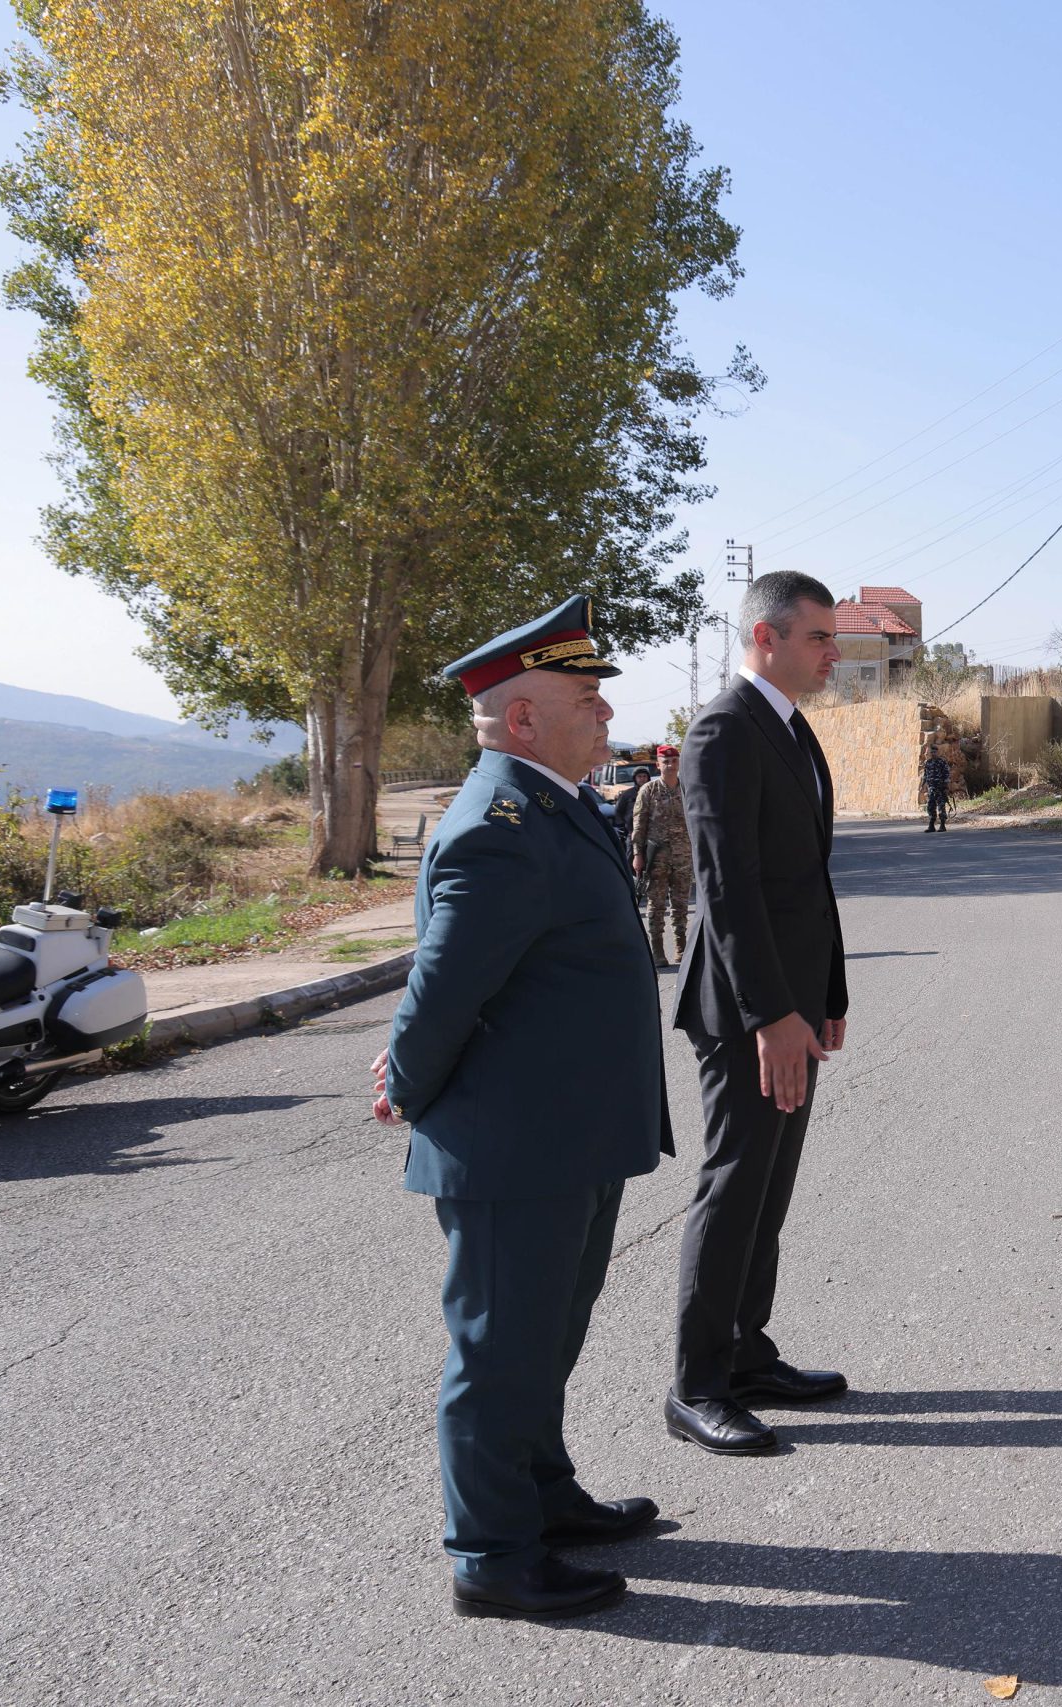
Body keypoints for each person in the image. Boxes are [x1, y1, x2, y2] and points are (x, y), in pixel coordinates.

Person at [374, 594, 670, 1622]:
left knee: (545, 1338)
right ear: (524, 718)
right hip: (515, 1144)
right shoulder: (498, 825)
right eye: (587, 699)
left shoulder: (552, 803)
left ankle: (543, 1496)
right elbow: (444, 984)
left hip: (568, 1132)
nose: (607, 712)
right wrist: (404, 1082)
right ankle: (493, 1555)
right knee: (501, 1351)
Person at [669, 570, 853, 1456]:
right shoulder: (723, 731)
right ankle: (697, 1385)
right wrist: (773, 1014)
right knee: (735, 1184)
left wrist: (830, 994)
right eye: (819, 637)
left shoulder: (789, 726)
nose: (834, 653)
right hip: (748, 1011)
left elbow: (809, 880)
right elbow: (728, 889)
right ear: (765, 638)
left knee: (769, 1190)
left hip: (794, 1003)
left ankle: (747, 1353)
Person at [630, 744, 692, 966]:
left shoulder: (687, 788)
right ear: (658, 765)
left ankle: (681, 948)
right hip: (657, 857)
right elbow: (639, 824)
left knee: (681, 905)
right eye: (666, 762)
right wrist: (638, 854)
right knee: (656, 906)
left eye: (674, 761)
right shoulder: (649, 790)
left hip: (683, 856)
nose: (670, 765)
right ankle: (657, 951)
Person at [920, 740, 953, 833]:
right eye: (932, 752)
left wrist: (946, 787)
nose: (933, 754)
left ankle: (942, 825)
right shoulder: (928, 763)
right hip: (931, 789)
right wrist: (923, 785)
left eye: (934, 752)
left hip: (940, 788)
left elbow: (946, 775)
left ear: (937, 752)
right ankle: (931, 825)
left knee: (941, 806)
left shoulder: (942, 762)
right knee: (930, 806)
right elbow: (925, 775)